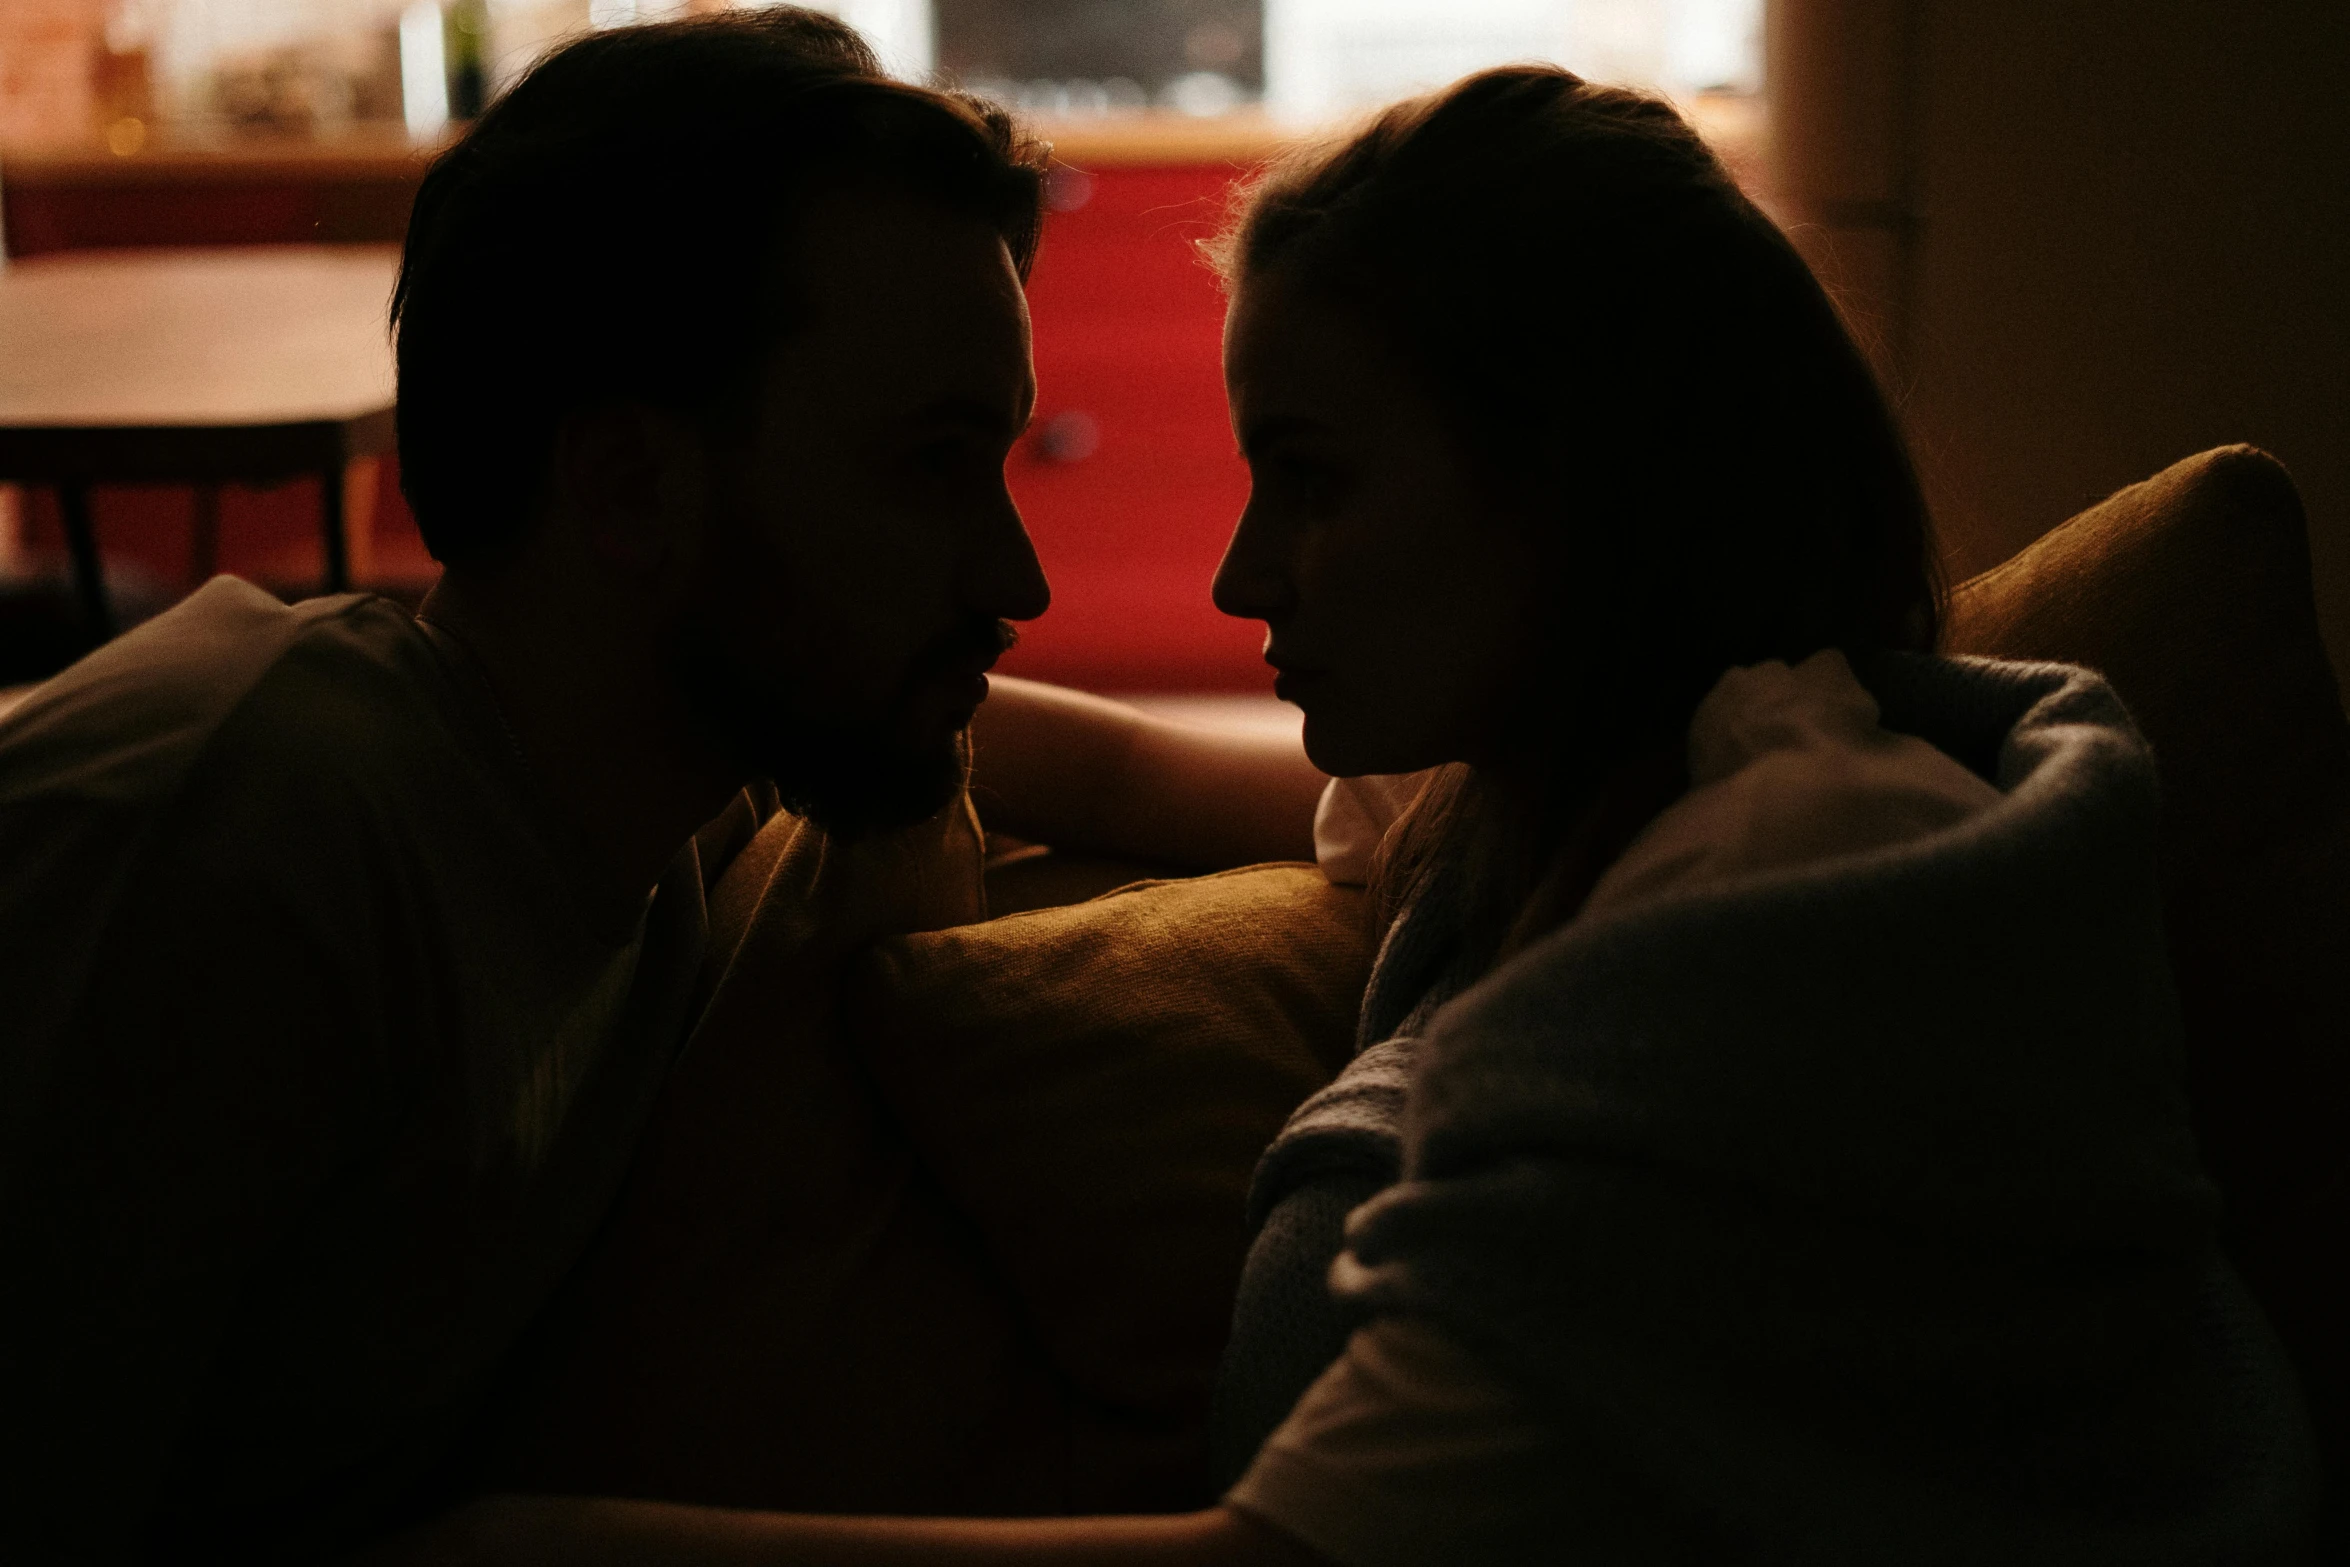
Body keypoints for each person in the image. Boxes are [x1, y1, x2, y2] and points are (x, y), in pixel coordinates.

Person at [372, 64, 2316, 1564]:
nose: (1238, 575)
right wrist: (727, 706)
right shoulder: (1512, 796)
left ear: (1572, 484)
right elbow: (1109, 765)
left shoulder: (1799, 907)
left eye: (1308, 476)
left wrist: (507, 1547)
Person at [0, 13, 1321, 1563]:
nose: (1013, 574)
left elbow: (1121, 764)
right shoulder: (236, 851)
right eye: (925, 464)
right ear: (629, 483)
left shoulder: (671, 778)